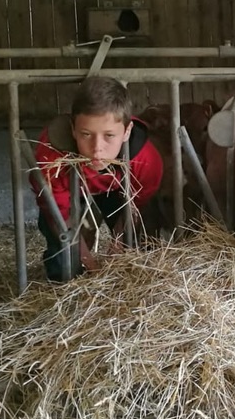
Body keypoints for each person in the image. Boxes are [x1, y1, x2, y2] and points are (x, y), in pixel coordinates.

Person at [33, 76, 163, 281]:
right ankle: (62, 287)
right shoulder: (52, 156)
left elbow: (135, 207)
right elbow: (59, 215)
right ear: (72, 129)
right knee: (64, 262)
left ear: (127, 131)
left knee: (134, 249)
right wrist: (89, 264)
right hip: (72, 192)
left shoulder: (145, 159)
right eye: (86, 134)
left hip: (116, 190)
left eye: (109, 136)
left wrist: (118, 246)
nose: (97, 148)